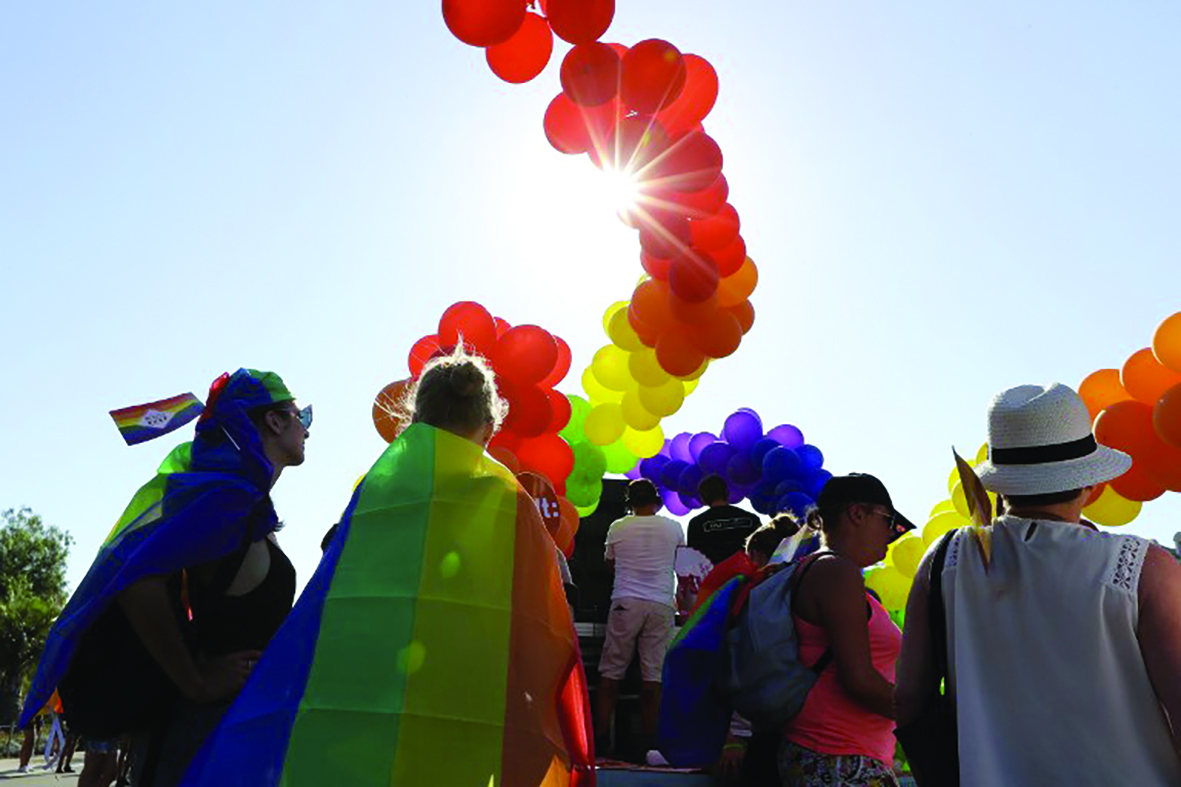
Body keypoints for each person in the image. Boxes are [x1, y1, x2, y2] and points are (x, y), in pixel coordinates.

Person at [180, 347, 593, 787]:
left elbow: (333, 608)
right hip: (469, 713)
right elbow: (541, 627)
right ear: (488, 430)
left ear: (414, 421)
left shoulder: (378, 496)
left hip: (365, 716)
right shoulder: (509, 502)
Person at [19, 368, 308, 787]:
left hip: (230, 730)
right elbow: (137, 580)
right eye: (300, 417)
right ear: (274, 421)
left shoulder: (244, 504)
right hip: (199, 739)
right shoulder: (224, 499)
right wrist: (197, 682)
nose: (307, 430)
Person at [896, 383, 1181, 786]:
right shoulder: (1143, 567)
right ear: (1091, 484)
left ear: (1002, 485)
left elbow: (909, 699)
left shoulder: (943, 561)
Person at [780, 474, 914, 787]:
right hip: (839, 758)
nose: (892, 533)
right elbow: (859, 680)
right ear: (857, 514)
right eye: (888, 520)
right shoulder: (838, 572)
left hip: (831, 755)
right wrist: (931, 716)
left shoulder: (824, 569)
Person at [596, 478, 686, 760]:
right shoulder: (674, 528)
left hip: (625, 602)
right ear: (656, 501)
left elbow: (609, 564)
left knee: (611, 673)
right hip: (661, 603)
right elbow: (681, 565)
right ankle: (651, 746)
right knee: (653, 677)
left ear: (629, 502)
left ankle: (599, 743)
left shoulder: (618, 526)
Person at [687, 475, 762, 566]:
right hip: (751, 577)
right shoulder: (751, 519)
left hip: (715, 578)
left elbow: (692, 562)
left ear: (703, 499)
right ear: (727, 493)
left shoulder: (696, 524)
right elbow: (763, 551)